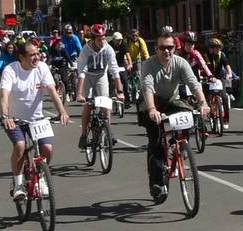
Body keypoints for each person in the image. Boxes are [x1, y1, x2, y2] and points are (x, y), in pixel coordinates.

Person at [139, 32, 210, 202]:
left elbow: (193, 83)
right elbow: (147, 87)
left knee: (189, 115)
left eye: (170, 47)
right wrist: (151, 109)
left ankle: (180, 146)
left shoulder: (181, 63)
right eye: (162, 48)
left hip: (171, 101)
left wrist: (203, 103)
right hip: (151, 103)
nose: (166, 51)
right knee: (155, 141)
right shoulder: (148, 65)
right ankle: (156, 183)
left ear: (174, 49)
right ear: (156, 49)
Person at [0, 39, 71, 199]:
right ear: (22, 57)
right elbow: (4, 95)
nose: (37, 57)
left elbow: (53, 92)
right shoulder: (11, 70)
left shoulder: (42, 68)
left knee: (47, 149)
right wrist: (5, 116)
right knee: (20, 146)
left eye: (38, 54)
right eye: (32, 55)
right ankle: (18, 184)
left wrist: (63, 112)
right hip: (14, 119)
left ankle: (41, 177)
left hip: (37, 119)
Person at [75, 23, 125, 148]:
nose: (102, 41)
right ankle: (83, 135)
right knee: (89, 104)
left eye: (104, 38)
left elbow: (114, 70)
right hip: (88, 76)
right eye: (99, 39)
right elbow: (81, 72)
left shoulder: (108, 49)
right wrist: (80, 94)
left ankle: (108, 130)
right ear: (92, 39)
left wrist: (120, 91)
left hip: (101, 75)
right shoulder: (85, 50)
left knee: (106, 103)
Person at [202, 36, 234, 129]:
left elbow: (227, 65)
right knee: (207, 97)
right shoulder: (205, 55)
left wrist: (229, 74)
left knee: (224, 97)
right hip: (207, 78)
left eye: (218, 48)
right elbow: (202, 66)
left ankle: (226, 119)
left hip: (219, 78)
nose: (217, 50)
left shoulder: (222, 55)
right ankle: (210, 115)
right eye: (215, 48)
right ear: (210, 48)